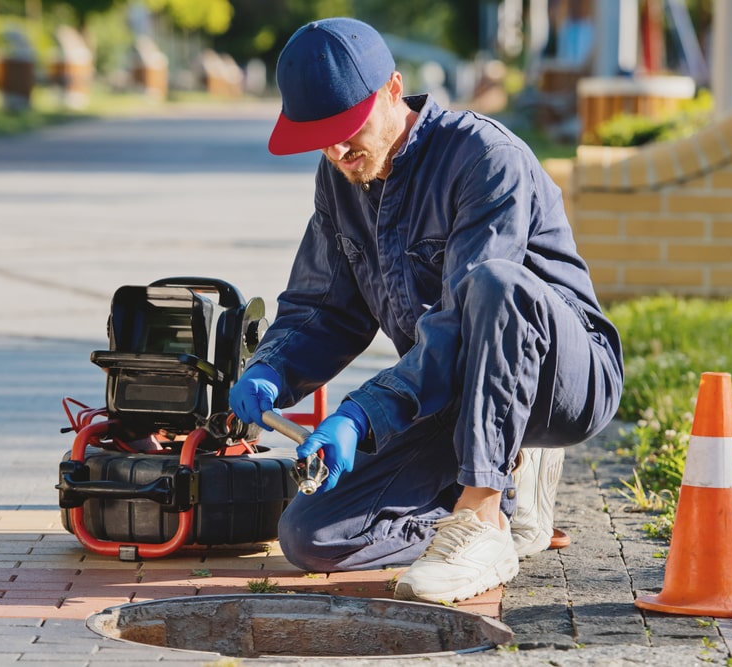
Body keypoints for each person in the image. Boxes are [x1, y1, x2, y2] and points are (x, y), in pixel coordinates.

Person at [229, 17, 623, 604]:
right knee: (310, 537)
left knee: (493, 285)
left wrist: (361, 415)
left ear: (392, 89)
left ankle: (483, 517)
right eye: (322, 137)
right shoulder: (340, 177)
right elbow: (324, 306)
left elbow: (461, 323)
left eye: (347, 128)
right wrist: (271, 369)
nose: (337, 151)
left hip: (561, 379)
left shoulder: (485, 158)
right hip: (450, 390)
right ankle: (503, 497)